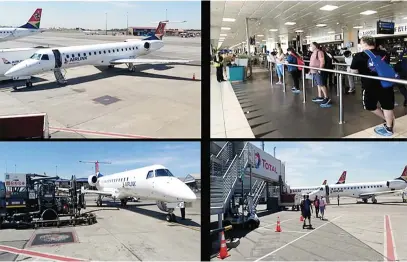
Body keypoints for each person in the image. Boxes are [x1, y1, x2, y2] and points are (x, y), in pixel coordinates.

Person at [350, 36, 395, 136]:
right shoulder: (384, 53)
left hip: (370, 85)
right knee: (387, 105)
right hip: (386, 83)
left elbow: (354, 71)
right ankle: (389, 126)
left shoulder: (358, 56)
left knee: (369, 105)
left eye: (361, 43)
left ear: (365, 44)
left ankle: (388, 120)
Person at [310, 42, 331, 107]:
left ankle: (326, 98)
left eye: (311, 46)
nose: (310, 47)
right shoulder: (314, 52)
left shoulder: (319, 52)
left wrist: (320, 69)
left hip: (318, 71)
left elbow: (322, 61)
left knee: (321, 84)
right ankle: (320, 96)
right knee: (318, 84)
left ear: (315, 46)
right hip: (314, 71)